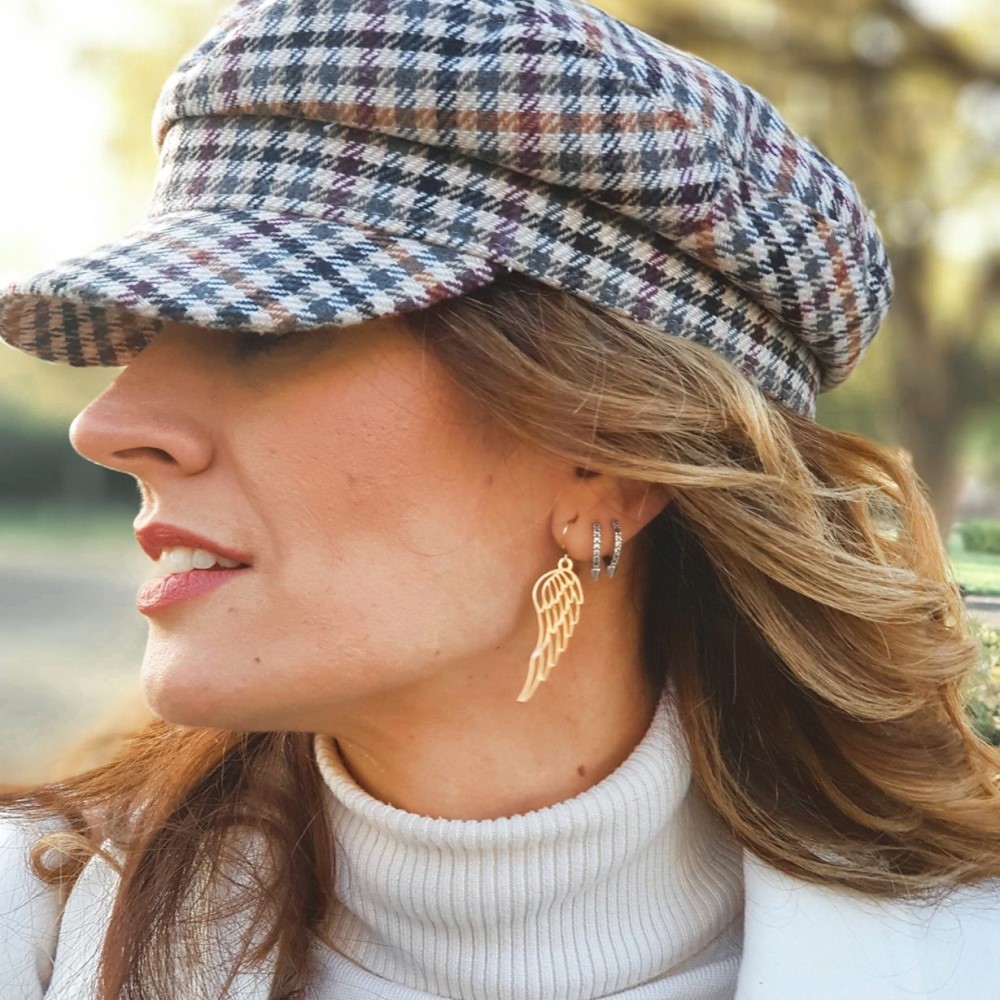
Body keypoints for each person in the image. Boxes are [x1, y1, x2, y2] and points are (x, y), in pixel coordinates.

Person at [1, 0, 998, 996]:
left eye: (265, 332)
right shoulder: (29, 927)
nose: (108, 425)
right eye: (149, 334)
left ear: (608, 453)